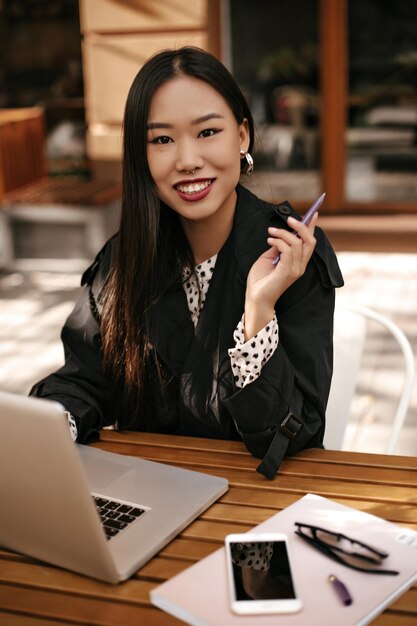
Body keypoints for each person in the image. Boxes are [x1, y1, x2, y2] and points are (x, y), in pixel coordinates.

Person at [30, 46, 343, 479]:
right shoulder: (123, 260)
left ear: (242, 136)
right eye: (161, 139)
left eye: (207, 132)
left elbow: (297, 441)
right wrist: (50, 429)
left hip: (254, 510)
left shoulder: (291, 254)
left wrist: (258, 311)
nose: (187, 160)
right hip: (146, 498)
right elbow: (82, 380)